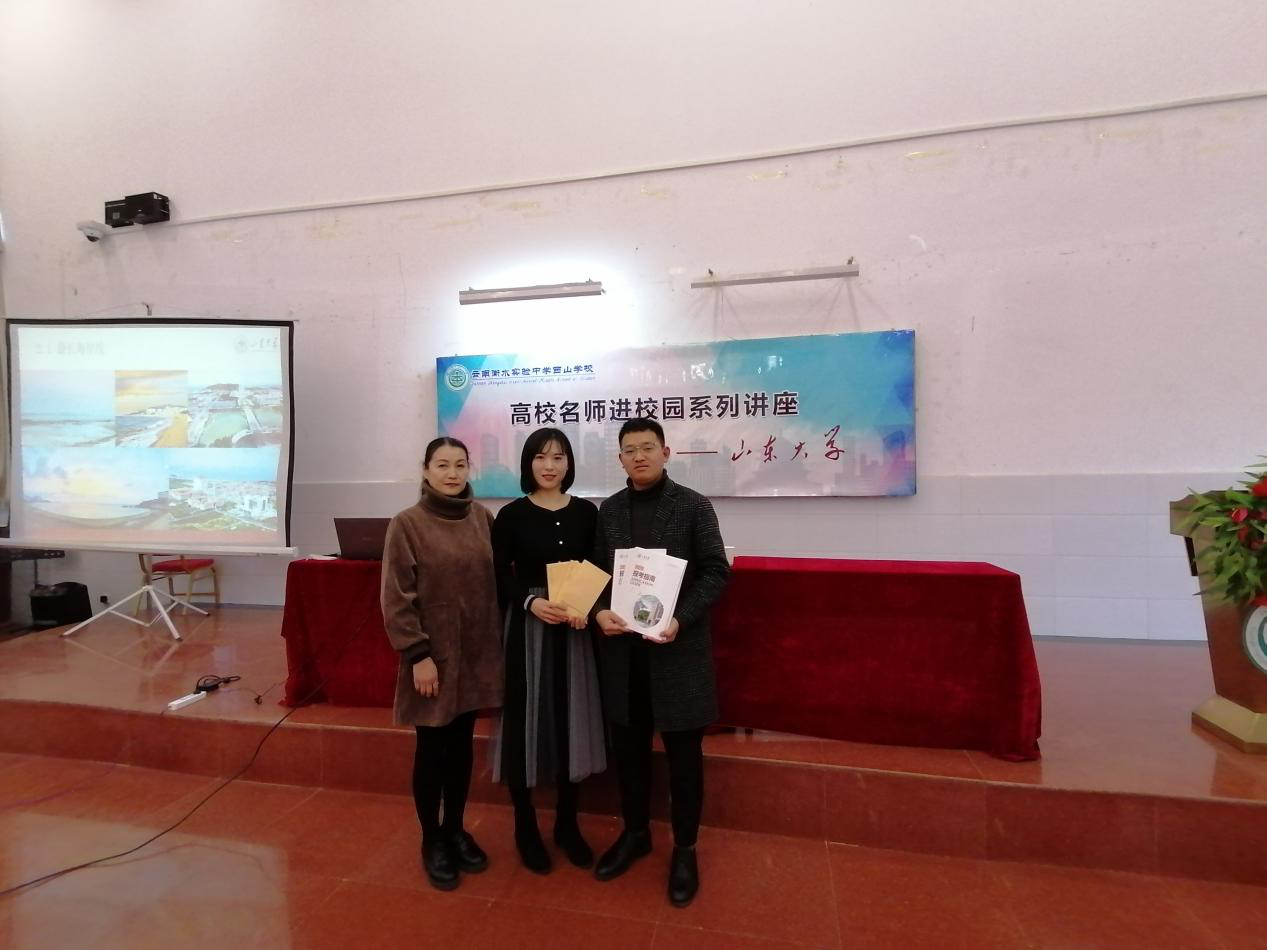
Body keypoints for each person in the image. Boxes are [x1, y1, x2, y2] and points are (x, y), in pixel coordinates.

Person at [590, 417, 730, 908]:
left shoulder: (693, 505)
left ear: (666, 453)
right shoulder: (609, 510)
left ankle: (685, 849)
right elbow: (596, 575)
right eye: (630, 450)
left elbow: (716, 572)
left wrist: (680, 619)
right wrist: (598, 611)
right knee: (629, 755)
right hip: (624, 657)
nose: (639, 456)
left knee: (684, 760)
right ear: (620, 459)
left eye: (648, 447)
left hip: (676, 652)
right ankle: (635, 834)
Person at [381, 436, 505, 891]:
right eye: (442, 465)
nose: (452, 474)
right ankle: (431, 838)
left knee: (461, 746)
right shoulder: (407, 524)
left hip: (476, 655)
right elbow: (396, 598)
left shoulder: (482, 519)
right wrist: (417, 655)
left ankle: (455, 828)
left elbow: (501, 580)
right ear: (426, 469)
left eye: (460, 465)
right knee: (432, 748)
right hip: (432, 659)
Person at [491, 427, 605, 873]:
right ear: (528, 463)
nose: (550, 465)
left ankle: (567, 825)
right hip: (529, 627)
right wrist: (531, 602)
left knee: (569, 718)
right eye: (541, 457)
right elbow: (499, 575)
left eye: (558, 457)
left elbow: (597, 566)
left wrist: (585, 605)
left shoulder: (587, 513)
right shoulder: (511, 515)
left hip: (574, 629)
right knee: (525, 721)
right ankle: (525, 827)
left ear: (569, 464)